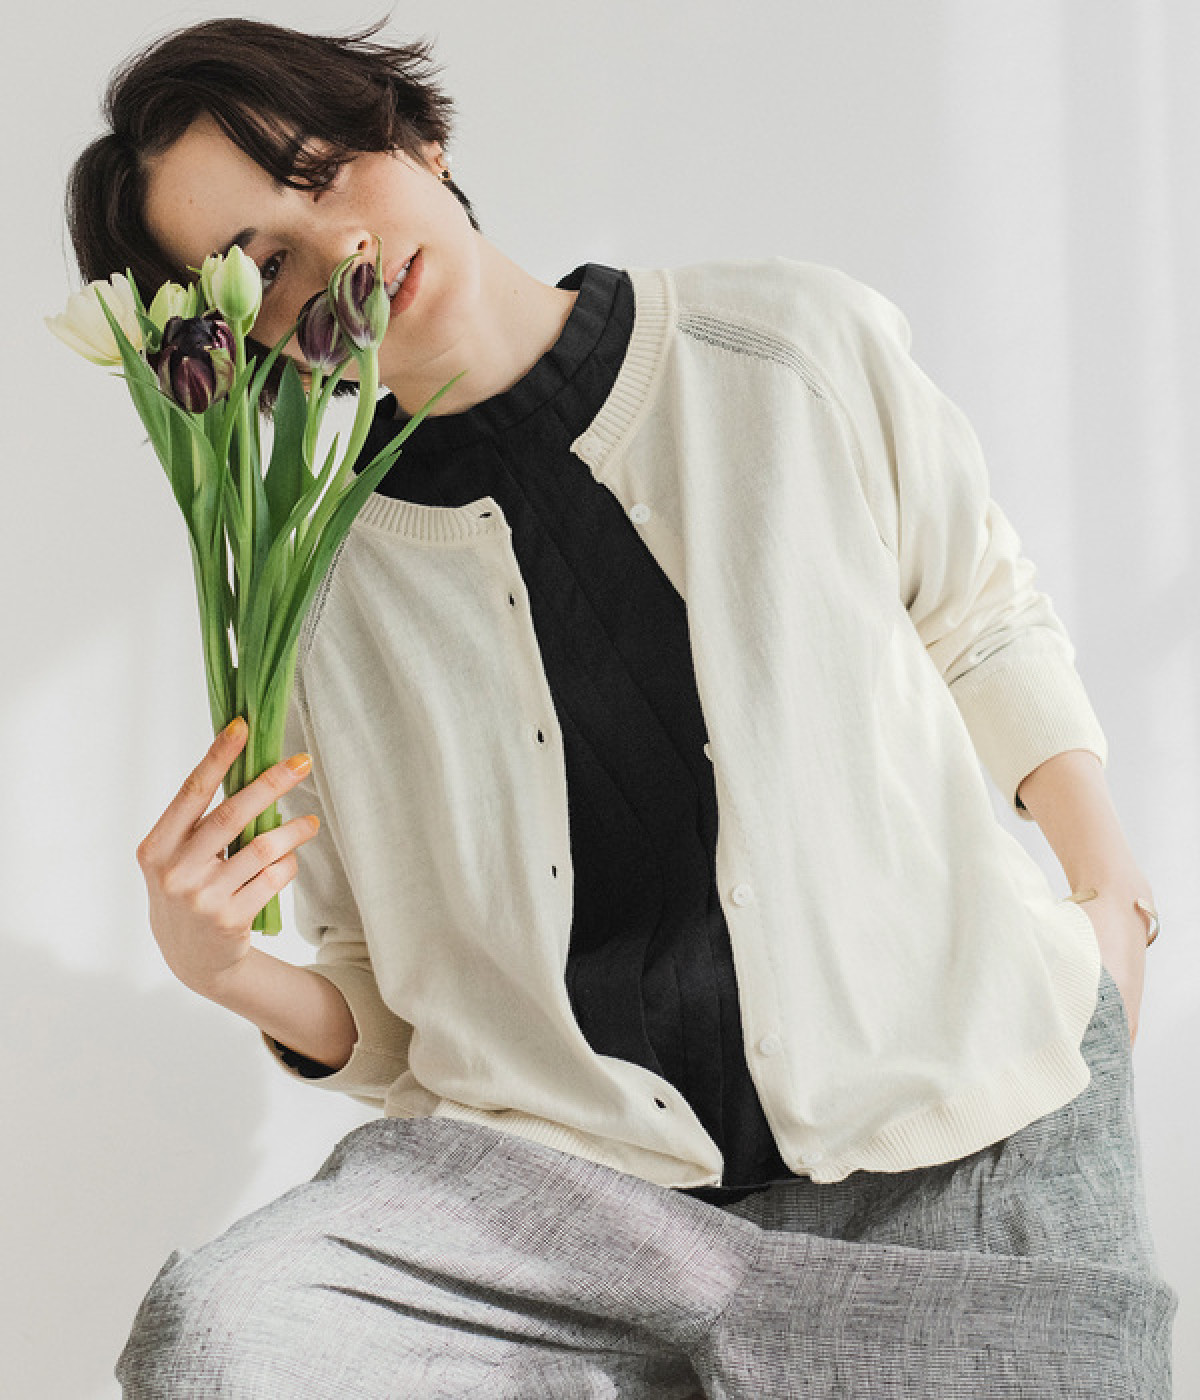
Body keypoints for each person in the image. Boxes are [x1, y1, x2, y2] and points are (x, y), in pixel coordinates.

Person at [65, 14, 1178, 1398]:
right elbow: (385, 1005)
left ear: (420, 135)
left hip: (954, 1123)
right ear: (235, 345)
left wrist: (1111, 895)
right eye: (267, 266)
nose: (338, 248)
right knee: (224, 1337)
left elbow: (980, 614)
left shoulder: (781, 343)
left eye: (327, 168)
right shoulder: (311, 596)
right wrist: (221, 965)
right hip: (570, 1212)